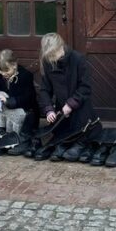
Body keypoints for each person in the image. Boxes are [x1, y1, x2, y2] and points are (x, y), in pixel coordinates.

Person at [35, 32, 95, 161]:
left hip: (80, 106)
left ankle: (81, 144)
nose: (52, 58)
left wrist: (71, 103)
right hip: (62, 107)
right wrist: (49, 109)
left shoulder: (78, 59)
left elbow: (85, 87)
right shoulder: (48, 62)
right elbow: (45, 89)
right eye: (49, 55)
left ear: (60, 47)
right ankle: (63, 143)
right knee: (61, 128)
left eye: (53, 54)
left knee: (81, 126)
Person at [0, 49, 38, 139]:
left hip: (24, 110)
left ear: (14, 65)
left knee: (12, 113)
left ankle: (14, 137)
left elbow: (28, 98)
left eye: (6, 70)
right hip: (4, 109)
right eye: (0, 70)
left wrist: (8, 101)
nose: (3, 73)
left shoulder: (25, 76)